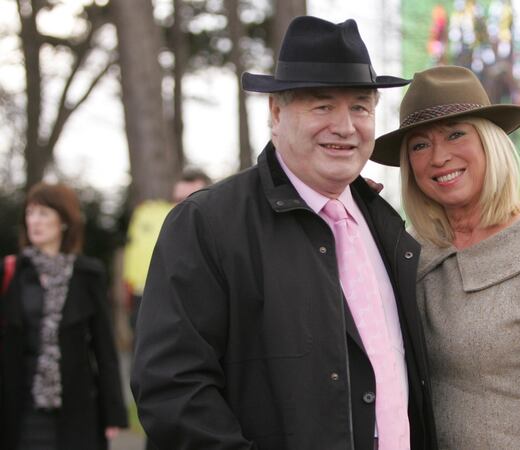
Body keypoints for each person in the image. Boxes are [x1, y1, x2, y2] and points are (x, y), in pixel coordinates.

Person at [130, 16, 437, 450]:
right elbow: (172, 390)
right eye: (322, 105)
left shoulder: (385, 224)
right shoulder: (208, 224)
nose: (346, 126)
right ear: (276, 113)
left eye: (360, 107)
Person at [371, 65, 520, 450]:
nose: (439, 157)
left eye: (455, 135)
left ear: (490, 143)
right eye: (419, 145)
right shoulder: (412, 257)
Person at [0, 182, 129, 450]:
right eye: (30, 213)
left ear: (64, 222)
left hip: (76, 408)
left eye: (44, 214)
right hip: (19, 406)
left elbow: (104, 348)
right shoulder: (12, 272)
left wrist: (113, 411)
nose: (34, 221)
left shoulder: (87, 274)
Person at [122, 168, 212, 331]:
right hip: (145, 298)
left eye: (192, 198)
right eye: (177, 199)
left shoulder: (218, 230)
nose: (183, 206)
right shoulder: (150, 215)